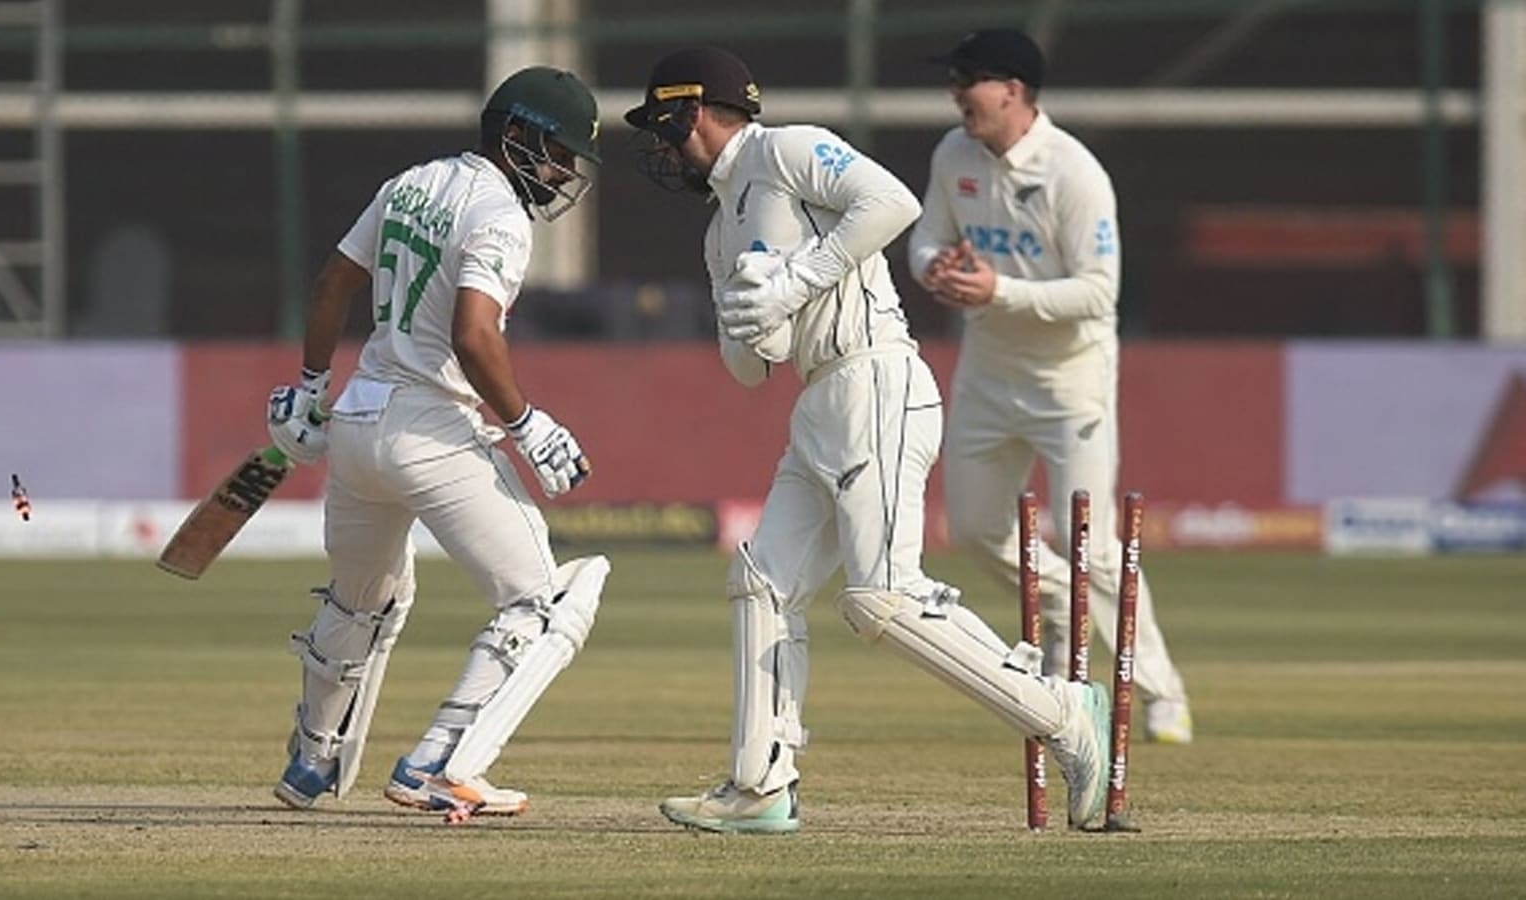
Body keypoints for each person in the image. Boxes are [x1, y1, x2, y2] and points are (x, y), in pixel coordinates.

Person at [625, 46, 1113, 834]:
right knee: (763, 582)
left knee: (881, 597)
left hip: (878, 380)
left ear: (695, 110)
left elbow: (889, 203)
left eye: (664, 125)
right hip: (820, 401)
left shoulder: (784, 150)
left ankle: (1060, 710)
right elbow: (752, 370)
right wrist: (753, 322)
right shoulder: (720, 232)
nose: (663, 145)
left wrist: (796, 279)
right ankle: (761, 786)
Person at [265, 65, 611, 822]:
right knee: (541, 604)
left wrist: (309, 388)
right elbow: (473, 333)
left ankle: (311, 761)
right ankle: (440, 763)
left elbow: (331, 284)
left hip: (359, 421)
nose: (562, 173)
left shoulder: (410, 182)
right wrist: (527, 423)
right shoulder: (500, 216)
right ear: (515, 135)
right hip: (431, 426)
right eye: (556, 152)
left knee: (359, 602)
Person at [907, 28, 1193, 743]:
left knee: (1089, 542)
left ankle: (1161, 690)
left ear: (1012, 89)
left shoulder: (1074, 173)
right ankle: (1067, 614)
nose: (955, 93)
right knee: (974, 529)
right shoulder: (954, 155)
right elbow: (923, 238)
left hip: (1071, 382)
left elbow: (1100, 293)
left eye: (967, 79)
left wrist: (997, 290)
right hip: (988, 373)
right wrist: (935, 269)